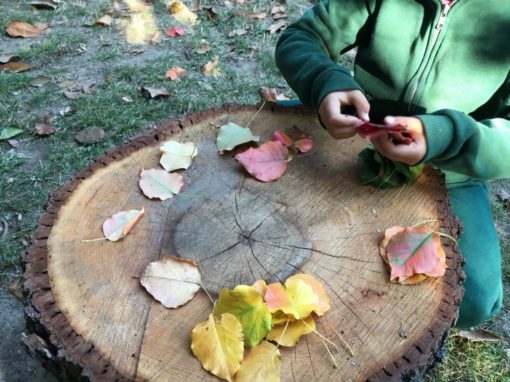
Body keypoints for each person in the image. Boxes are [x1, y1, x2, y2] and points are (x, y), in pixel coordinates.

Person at [275, 0, 510, 328]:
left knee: (474, 297)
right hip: (356, 130)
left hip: (450, 164)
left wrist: (444, 136)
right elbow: (302, 37)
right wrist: (327, 83)